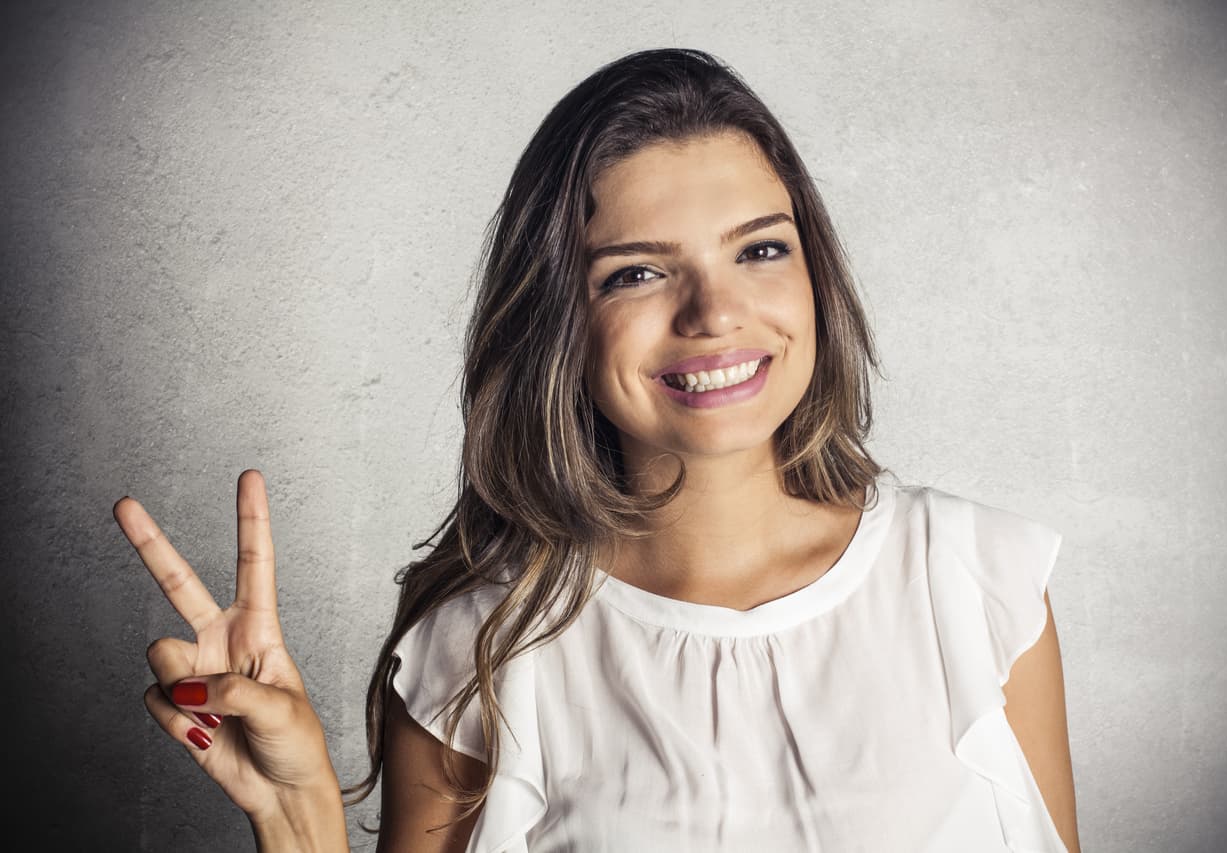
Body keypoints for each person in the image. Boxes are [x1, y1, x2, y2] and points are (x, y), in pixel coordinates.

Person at [113, 48, 1081, 853]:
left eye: (758, 249)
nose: (714, 314)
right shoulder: (481, 649)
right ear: (557, 325)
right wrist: (298, 821)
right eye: (638, 272)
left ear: (814, 273)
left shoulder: (976, 584)